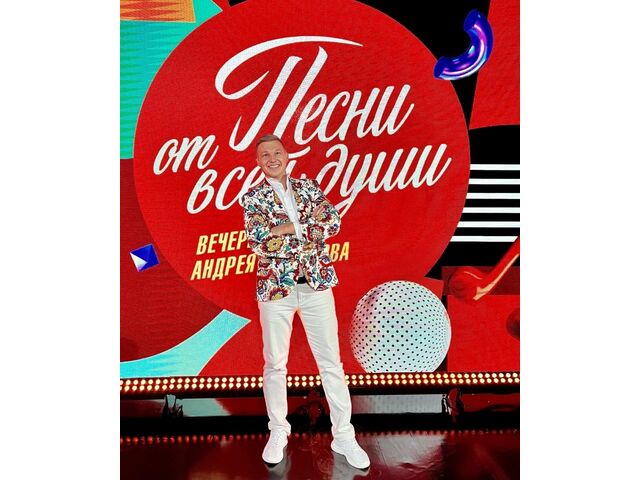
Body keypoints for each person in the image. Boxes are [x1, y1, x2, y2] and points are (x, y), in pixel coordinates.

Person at [241, 134, 370, 470]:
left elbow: (333, 222)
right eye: (265, 154)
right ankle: (278, 431)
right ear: (258, 161)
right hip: (275, 291)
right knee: (275, 364)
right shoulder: (253, 197)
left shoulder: (308, 187)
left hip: (316, 286)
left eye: (277, 152)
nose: (272, 158)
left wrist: (286, 227)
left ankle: (344, 435)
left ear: (287, 155)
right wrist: (304, 231)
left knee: (332, 364)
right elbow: (259, 243)